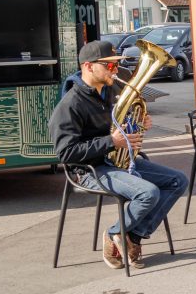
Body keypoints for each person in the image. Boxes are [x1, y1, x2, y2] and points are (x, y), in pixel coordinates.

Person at [51, 40, 189, 270]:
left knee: (178, 180)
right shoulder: (70, 104)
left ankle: (130, 236)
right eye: (109, 65)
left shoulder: (112, 90)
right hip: (89, 169)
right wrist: (111, 142)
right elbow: (66, 153)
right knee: (148, 192)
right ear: (88, 66)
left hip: (118, 161)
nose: (115, 70)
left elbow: (124, 124)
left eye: (116, 65)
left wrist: (140, 123)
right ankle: (116, 233)